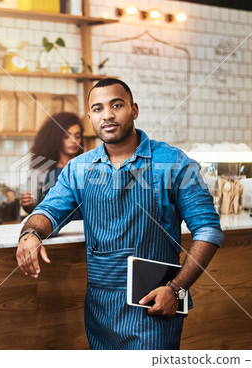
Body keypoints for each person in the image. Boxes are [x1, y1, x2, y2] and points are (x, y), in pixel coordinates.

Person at [16, 78, 223, 350]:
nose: (108, 115)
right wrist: (30, 234)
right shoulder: (80, 169)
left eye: (117, 105)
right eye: (98, 109)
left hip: (154, 309)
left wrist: (177, 289)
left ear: (134, 110)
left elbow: (208, 229)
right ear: (90, 118)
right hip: (100, 314)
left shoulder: (173, 163)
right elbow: (47, 212)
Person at [20, 111, 84, 214]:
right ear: (57, 139)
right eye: (67, 136)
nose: (73, 141)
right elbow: (35, 210)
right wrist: (28, 205)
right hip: (53, 228)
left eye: (77, 136)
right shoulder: (40, 171)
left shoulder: (87, 169)